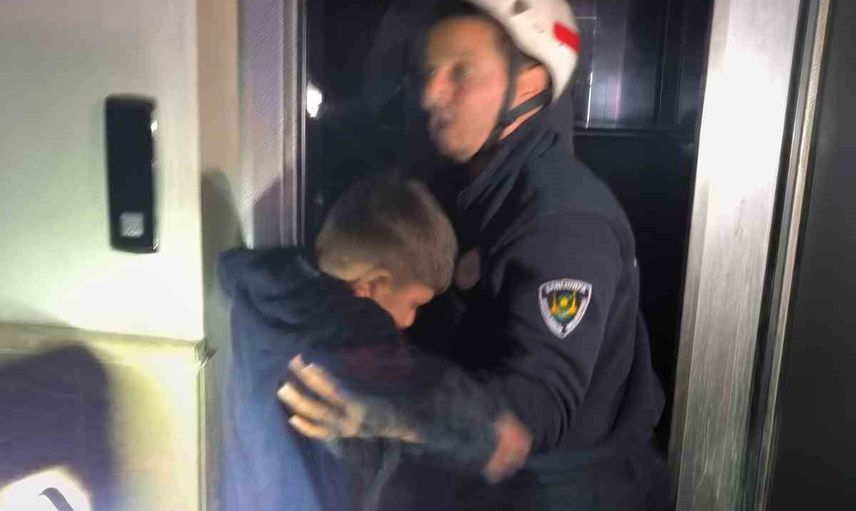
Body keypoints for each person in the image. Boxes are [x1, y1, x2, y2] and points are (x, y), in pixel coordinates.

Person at [281, 1, 672, 509]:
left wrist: (399, 410)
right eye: (428, 73)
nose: (431, 94)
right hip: (482, 478)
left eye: (459, 72)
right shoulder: (460, 183)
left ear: (529, 83)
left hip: (565, 491)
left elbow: (539, 404)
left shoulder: (564, 221)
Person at [219, 175, 531, 511]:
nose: (409, 321)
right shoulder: (355, 326)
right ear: (373, 285)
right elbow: (420, 389)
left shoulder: (266, 292)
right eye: (414, 304)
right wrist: (489, 433)